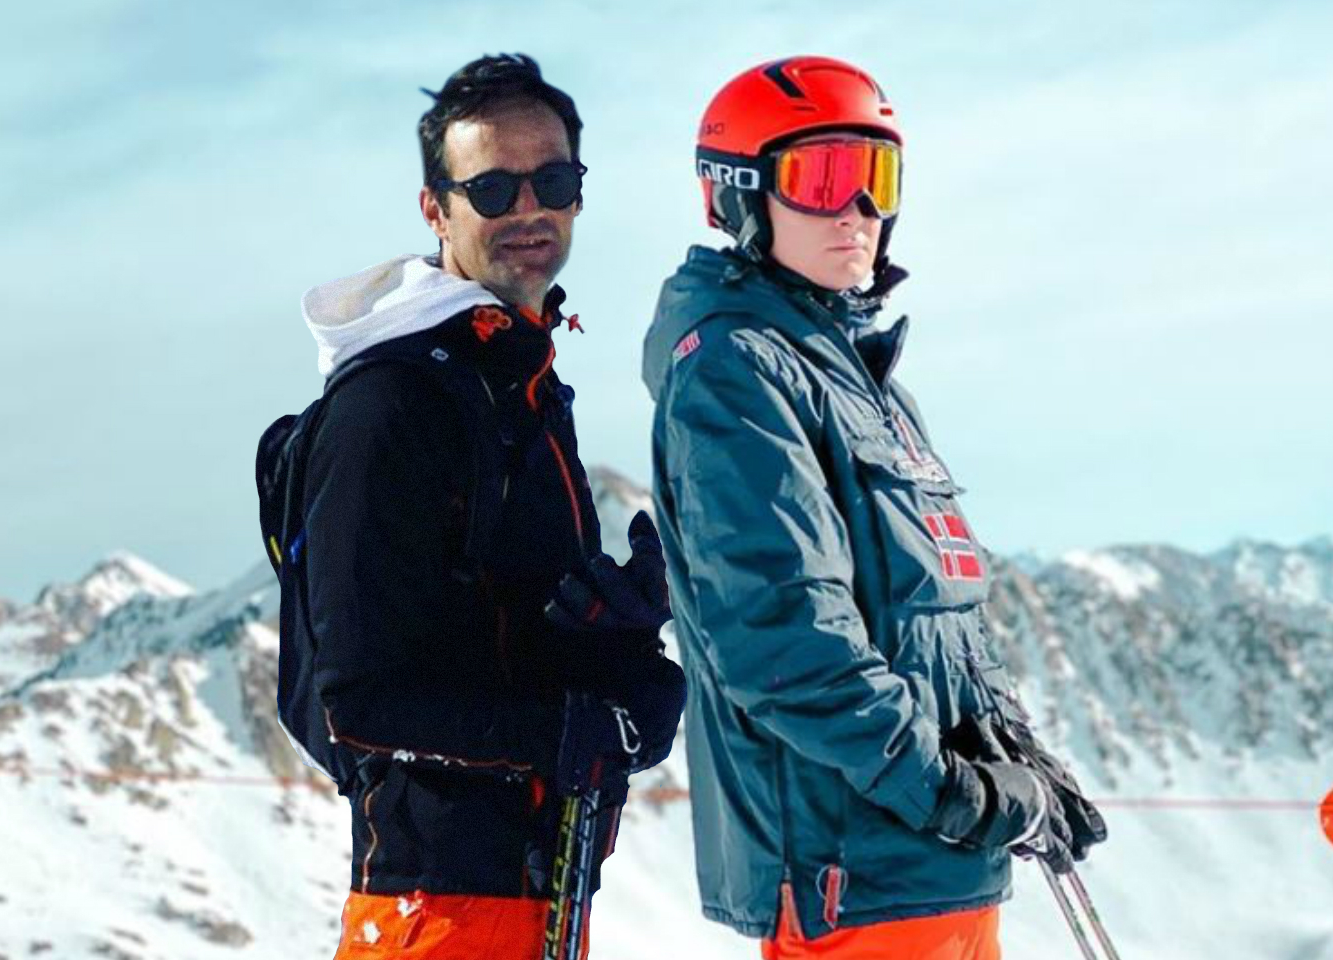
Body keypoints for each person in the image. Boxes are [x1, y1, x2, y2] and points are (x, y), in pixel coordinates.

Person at [641, 56, 1107, 959]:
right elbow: (785, 643)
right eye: (824, 177)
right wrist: (954, 793)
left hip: (932, 873)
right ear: (739, 196)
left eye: (877, 178)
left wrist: (1012, 751)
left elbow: (940, 619)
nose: (859, 210)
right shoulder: (736, 373)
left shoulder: (863, 379)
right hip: (852, 876)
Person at [288, 53, 685, 959]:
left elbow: (498, 640)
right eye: (493, 188)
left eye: (552, 180)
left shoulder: (521, 387)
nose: (528, 210)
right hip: (436, 914)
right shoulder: (389, 406)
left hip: (538, 899)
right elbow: (358, 698)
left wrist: (621, 659)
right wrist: (564, 733)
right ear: (437, 207)